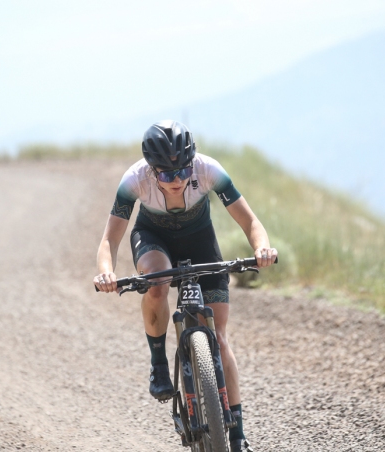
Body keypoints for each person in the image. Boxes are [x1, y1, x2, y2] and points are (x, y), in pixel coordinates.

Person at [94, 120, 277, 452]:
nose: (176, 180)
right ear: (152, 170)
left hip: (199, 243)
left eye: (182, 171)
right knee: (157, 281)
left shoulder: (208, 170)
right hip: (154, 240)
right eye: (165, 174)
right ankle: (158, 362)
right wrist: (106, 272)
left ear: (192, 162)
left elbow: (249, 220)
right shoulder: (134, 180)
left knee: (220, 338)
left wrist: (261, 248)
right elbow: (110, 238)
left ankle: (237, 435)